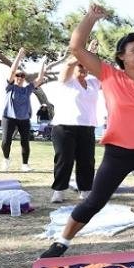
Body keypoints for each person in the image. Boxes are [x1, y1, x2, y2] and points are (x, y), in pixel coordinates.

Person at [40, 3, 134, 258]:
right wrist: (90, 18)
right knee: (94, 201)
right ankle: (62, 242)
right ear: (122, 56)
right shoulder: (109, 75)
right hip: (118, 152)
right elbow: (76, 47)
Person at [49, 40, 101, 203]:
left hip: (87, 127)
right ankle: (59, 191)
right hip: (64, 127)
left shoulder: (93, 83)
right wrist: (82, 53)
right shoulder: (66, 81)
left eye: (86, 66)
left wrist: (91, 55)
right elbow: (69, 63)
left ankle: (85, 190)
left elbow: (99, 70)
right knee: (64, 159)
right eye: (81, 65)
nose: (84, 68)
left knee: (87, 161)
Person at [1, 47, 47, 172]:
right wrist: (19, 56)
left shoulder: (27, 89)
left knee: (25, 142)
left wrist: (43, 63)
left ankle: (25, 165)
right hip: (8, 117)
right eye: (18, 75)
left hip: (24, 119)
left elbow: (40, 79)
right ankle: (6, 159)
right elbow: (12, 71)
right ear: (15, 77)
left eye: (22, 75)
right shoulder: (10, 87)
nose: (20, 77)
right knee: (6, 142)